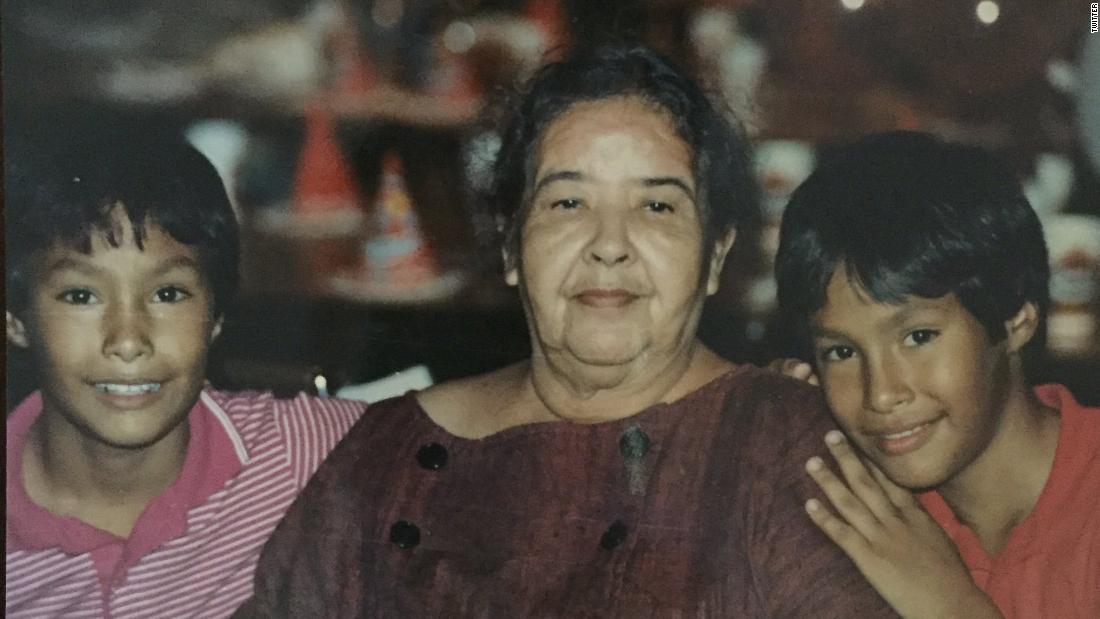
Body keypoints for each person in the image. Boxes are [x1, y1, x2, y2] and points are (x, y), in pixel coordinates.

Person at [232, 45, 897, 618]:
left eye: (657, 205)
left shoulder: (790, 450)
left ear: (717, 255)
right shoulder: (386, 453)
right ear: (513, 249)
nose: (610, 245)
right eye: (568, 202)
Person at [4, 136, 368, 618]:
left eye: (169, 294)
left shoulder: (294, 452)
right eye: (80, 297)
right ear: (16, 318)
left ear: (215, 315)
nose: (129, 341)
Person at [773, 131, 1100, 618]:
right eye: (841, 352)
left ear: (1016, 319)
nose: (881, 395)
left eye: (918, 337)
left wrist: (951, 607)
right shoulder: (861, 512)